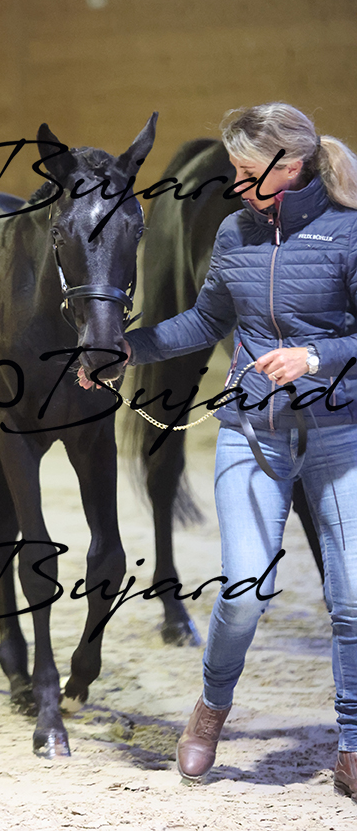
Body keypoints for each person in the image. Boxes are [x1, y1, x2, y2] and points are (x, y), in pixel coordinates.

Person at [78, 103, 357, 796]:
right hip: (252, 433)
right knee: (242, 594)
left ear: (289, 167)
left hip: (338, 437)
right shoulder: (235, 231)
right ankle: (209, 711)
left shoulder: (349, 232)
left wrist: (314, 358)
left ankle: (353, 743)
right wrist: (126, 349)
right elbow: (205, 321)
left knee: (352, 600)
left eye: (244, 169)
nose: (234, 183)